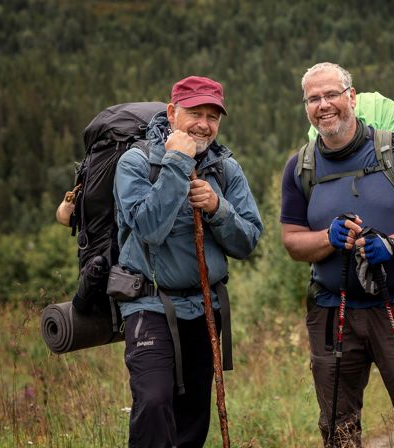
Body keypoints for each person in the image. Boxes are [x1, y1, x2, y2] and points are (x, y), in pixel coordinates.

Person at [280, 62, 394, 447]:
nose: (323, 105)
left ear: (351, 97)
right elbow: (292, 241)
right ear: (306, 107)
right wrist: (328, 238)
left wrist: (392, 245)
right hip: (331, 310)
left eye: (331, 94)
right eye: (313, 99)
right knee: (338, 427)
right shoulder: (300, 167)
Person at [113, 75, 263, 447]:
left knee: (194, 414)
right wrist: (178, 163)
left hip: (206, 306)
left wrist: (217, 208)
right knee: (153, 401)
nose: (204, 124)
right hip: (149, 304)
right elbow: (148, 228)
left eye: (213, 116)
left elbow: (248, 241)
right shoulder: (135, 163)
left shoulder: (225, 168)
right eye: (195, 113)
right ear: (172, 112)